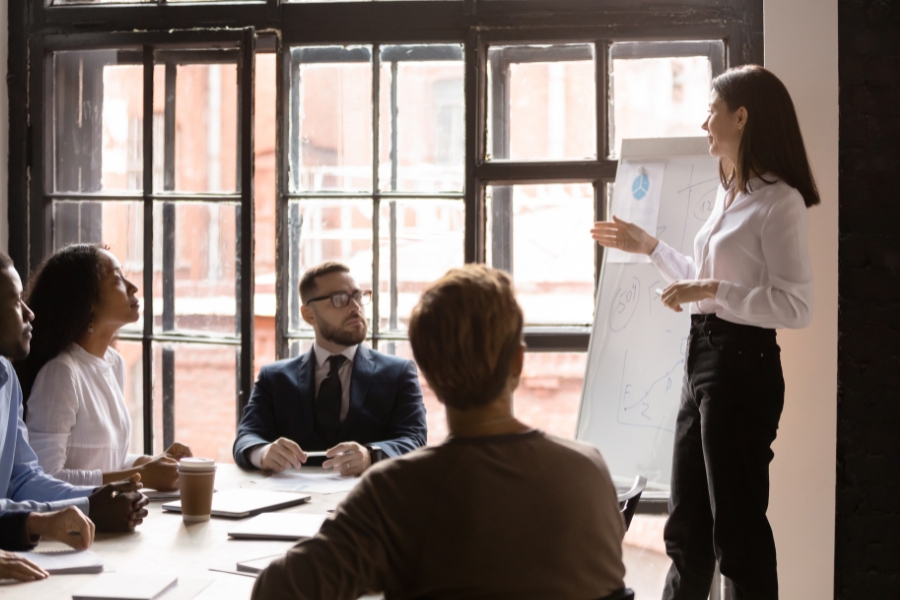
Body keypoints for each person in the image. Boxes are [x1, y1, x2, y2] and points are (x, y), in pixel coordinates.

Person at [252, 265, 627, 600]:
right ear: (518, 361)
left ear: (428, 374)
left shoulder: (394, 492)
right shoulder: (589, 470)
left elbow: (276, 591)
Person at [592, 64, 817, 600]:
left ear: (741, 117)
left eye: (712, 111)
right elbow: (703, 287)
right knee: (687, 532)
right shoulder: (729, 192)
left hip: (742, 366)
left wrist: (710, 287)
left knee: (737, 536)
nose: (703, 123)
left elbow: (796, 306)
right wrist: (650, 247)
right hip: (703, 359)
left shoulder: (779, 201)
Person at [0, 250, 149, 581]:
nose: (29, 313)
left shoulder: (5, 378)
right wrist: (40, 521)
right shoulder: (62, 372)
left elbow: (23, 479)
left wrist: (91, 502)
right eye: (15, 301)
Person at [18, 244, 191, 490]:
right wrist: (141, 475)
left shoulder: (114, 363)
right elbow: (45, 479)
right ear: (88, 301)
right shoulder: (61, 374)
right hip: (72, 516)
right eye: (118, 280)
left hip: (111, 512)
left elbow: (109, 462)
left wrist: (154, 464)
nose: (133, 287)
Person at [233, 262, 427, 475]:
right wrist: (263, 453)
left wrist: (371, 455)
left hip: (368, 494)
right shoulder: (274, 378)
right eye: (340, 299)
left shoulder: (399, 373)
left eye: (358, 296)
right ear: (309, 315)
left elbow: (415, 440)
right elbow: (246, 438)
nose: (355, 307)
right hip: (290, 495)